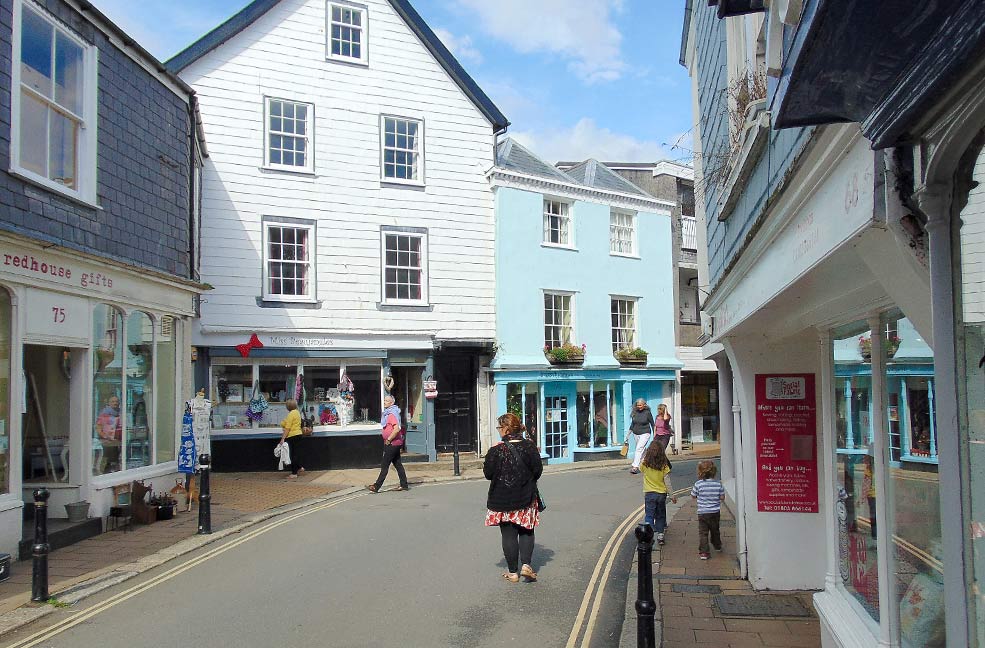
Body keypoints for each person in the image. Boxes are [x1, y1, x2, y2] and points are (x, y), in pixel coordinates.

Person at [484, 413, 544, 583]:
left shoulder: (496, 450)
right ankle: (526, 565)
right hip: (526, 497)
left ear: (506, 429)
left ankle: (513, 573)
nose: (498, 430)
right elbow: (537, 471)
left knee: (508, 534)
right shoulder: (530, 447)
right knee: (526, 530)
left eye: (499, 427)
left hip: (501, 499)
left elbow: (488, 474)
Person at [367, 396, 408, 493]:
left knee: (385, 465)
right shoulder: (388, 413)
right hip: (394, 443)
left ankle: (376, 486)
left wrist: (389, 439)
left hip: (392, 443)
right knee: (398, 464)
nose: (384, 402)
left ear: (391, 403)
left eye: (386, 401)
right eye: (384, 400)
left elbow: (397, 429)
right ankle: (404, 484)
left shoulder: (392, 414)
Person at [640, 439, 676, 545]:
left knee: (649, 515)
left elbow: (640, 467)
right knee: (660, 515)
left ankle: (648, 535)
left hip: (649, 493)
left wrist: (644, 455)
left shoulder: (645, 464)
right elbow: (667, 482)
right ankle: (660, 536)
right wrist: (672, 496)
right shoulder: (664, 465)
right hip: (661, 494)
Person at [691, 460, 726, 560]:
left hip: (702, 513)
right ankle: (717, 545)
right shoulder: (718, 484)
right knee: (715, 530)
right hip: (715, 512)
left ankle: (704, 552)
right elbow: (722, 497)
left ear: (700, 472)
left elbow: (693, 496)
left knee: (703, 533)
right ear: (714, 472)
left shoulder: (698, 484)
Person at [278, 399, 305, 479]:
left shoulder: (290, 414)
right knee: (295, 453)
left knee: (293, 455)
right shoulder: (297, 412)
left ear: (288, 406)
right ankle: (300, 467)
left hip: (292, 435)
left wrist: (283, 438)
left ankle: (294, 473)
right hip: (298, 434)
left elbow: (287, 428)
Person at [628, 399, 654, 474]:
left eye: (640, 405)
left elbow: (652, 423)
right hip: (636, 433)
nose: (638, 406)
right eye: (637, 405)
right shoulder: (635, 412)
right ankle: (646, 463)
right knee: (642, 449)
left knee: (639, 448)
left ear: (644, 405)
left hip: (645, 433)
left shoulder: (647, 413)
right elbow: (633, 424)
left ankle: (635, 466)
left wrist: (655, 433)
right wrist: (628, 434)